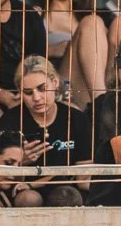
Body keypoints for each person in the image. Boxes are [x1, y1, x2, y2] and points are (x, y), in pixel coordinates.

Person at [6, 54, 96, 205]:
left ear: (55, 83)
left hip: (67, 190)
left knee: (65, 195)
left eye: (42, 89)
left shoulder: (76, 119)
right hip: (26, 192)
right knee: (29, 198)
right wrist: (20, 160)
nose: (36, 98)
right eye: (28, 92)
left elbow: (83, 176)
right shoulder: (11, 121)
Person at [33, 0, 108, 101]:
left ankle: (103, 101)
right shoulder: (37, 14)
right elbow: (20, 56)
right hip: (58, 90)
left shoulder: (90, 20)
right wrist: (51, 50)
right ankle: (102, 103)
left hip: (89, 90)